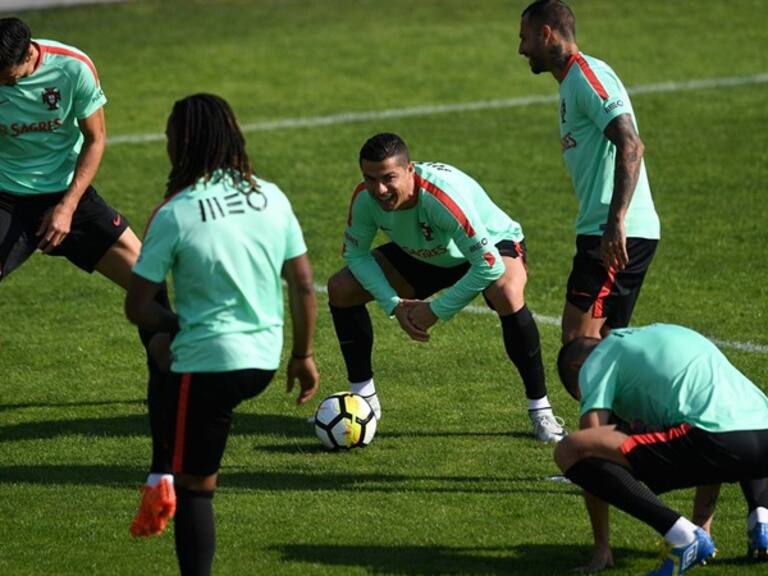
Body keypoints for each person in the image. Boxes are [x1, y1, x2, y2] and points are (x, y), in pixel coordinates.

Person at [124, 94, 319, 576]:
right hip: (264, 361)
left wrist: (175, 326)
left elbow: (137, 306)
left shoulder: (175, 211)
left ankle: (162, 473)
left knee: (196, 488)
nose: (166, 144)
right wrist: (304, 354)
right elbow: (302, 284)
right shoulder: (271, 196)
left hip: (211, 365)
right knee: (174, 363)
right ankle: (162, 465)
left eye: (169, 136)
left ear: (184, 143)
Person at [327, 132, 565, 442]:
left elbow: (488, 264)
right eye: (370, 179)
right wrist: (393, 304)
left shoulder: (441, 198)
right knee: (341, 288)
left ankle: (541, 411)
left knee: (506, 292)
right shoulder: (365, 198)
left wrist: (436, 311)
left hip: (490, 245)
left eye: (388, 178)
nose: (379, 189)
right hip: (425, 253)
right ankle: (364, 402)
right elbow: (355, 254)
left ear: (409, 170)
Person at [555, 323, 768, 574]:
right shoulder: (663, 334)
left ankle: (682, 536)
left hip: (717, 438)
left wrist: (601, 544)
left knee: (570, 449)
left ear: (577, 369)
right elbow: (712, 428)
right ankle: (762, 520)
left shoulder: (597, 359)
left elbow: (589, 445)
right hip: (760, 434)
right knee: (713, 434)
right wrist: (702, 522)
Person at [517, 0, 661, 344]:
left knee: (579, 343)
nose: (521, 49)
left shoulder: (587, 77)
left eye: (524, 38)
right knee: (607, 343)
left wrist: (615, 223)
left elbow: (631, 144)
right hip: (607, 230)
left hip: (614, 234)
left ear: (546, 33)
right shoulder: (570, 83)